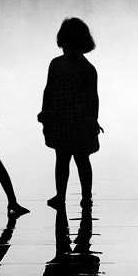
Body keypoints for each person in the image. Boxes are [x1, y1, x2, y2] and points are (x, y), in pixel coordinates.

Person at [39, 17, 103, 208]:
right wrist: (44, 110)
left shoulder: (88, 70)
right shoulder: (56, 64)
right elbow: (48, 89)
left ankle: (86, 196)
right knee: (62, 158)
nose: (71, 52)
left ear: (83, 46)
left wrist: (93, 120)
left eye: (75, 47)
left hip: (81, 121)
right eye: (68, 47)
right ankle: (60, 196)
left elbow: (93, 97)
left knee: (82, 159)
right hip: (59, 119)